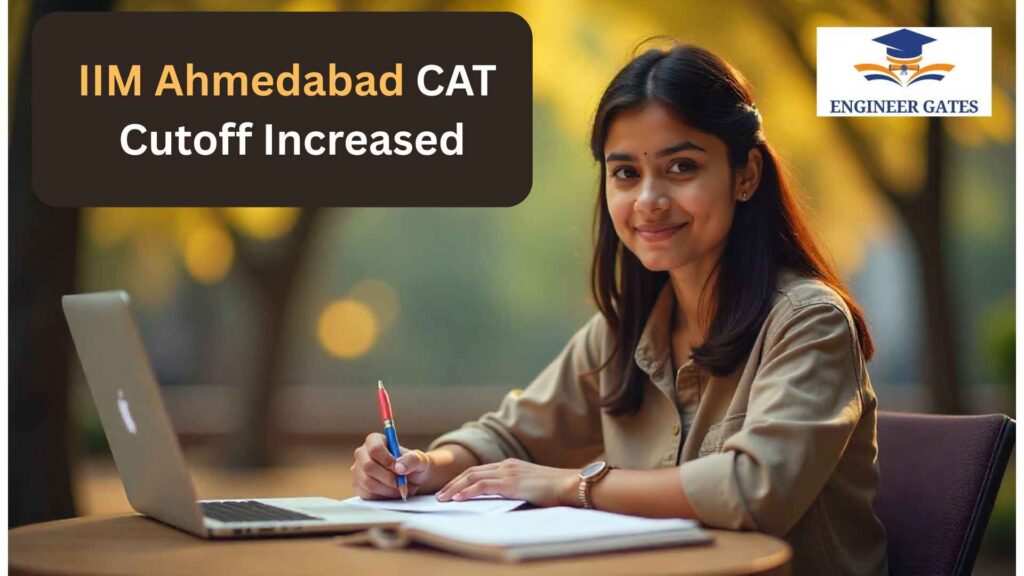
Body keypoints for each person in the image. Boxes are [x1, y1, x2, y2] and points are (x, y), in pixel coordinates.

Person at [351, 44, 889, 575]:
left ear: (745, 174)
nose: (648, 200)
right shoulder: (621, 334)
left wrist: (571, 485)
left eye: (681, 166)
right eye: (626, 173)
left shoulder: (808, 322)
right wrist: (423, 468)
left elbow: (755, 491)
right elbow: (509, 437)